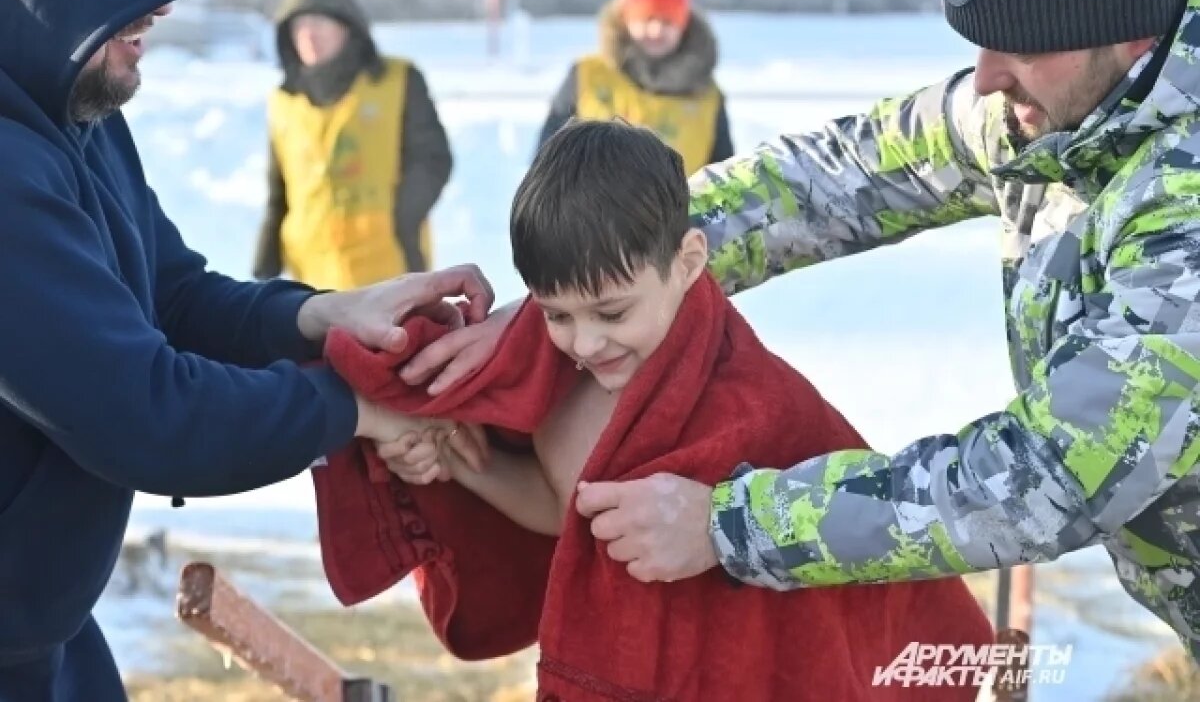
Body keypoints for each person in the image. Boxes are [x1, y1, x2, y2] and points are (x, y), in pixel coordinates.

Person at [400, 0, 1200, 666]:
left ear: (1129, 33)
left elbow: (1047, 476)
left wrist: (732, 527)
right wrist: (597, 280)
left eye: (1021, 46)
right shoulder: (1057, 97)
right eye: (980, 42)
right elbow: (835, 175)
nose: (985, 79)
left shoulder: (1185, 204)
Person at [0, 0, 487, 698]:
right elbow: (146, 412)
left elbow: (174, 298)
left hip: (45, 636)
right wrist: (355, 406)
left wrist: (322, 318)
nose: (162, 10)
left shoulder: (73, 108)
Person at [364, 120, 991, 701]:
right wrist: (472, 468)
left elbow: (856, 588)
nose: (584, 344)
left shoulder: (755, 406)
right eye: (555, 315)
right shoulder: (562, 390)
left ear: (688, 263)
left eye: (612, 313)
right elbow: (572, 513)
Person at [252, 0, 452, 289]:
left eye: (320, 23)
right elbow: (279, 190)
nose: (309, 36)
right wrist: (266, 264)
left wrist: (404, 219)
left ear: (347, 26)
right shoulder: (284, 101)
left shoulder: (397, 82)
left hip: (389, 272)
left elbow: (433, 159)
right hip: (311, 282)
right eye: (299, 26)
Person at [536, 0, 734, 175]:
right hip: (590, 209)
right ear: (627, 19)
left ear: (683, 25)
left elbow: (724, 180)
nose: (656, 31)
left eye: (667, 21)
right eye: (647, 19)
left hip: (679, 210)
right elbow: (546, 162)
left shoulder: (707, 96)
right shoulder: (586, 75)